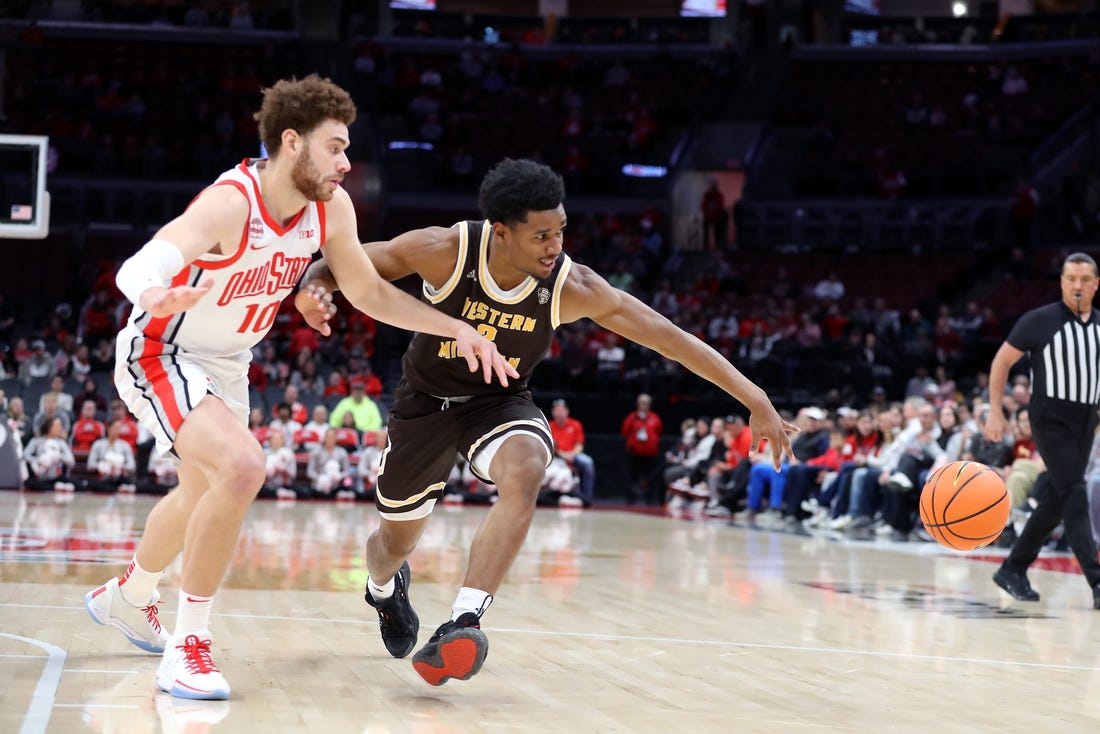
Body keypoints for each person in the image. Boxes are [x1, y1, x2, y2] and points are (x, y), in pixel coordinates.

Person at [83, 75, 516, 702]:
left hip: (228, 363)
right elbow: (146, 259)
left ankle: (130, 596)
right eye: (335, 147)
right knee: (241, 467)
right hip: (163, 351)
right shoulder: (233, 201)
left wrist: (460, 330)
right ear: (292, 143)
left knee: (202, 489)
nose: (346, 163)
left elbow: (367, 293)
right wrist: (153, 292)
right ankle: (188, 646)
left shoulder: (330, 208)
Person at [295, 157, 796, 686]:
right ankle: (383, 590)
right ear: (501, 232)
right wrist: (316, 286)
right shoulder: (445, 250)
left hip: (500, 402)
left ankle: (463, 621)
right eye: (540, 235)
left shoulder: (571, 284)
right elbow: (346, 262)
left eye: (559, 231)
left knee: (529, 465)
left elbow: (667, 335)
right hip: (426, 402)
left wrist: (754, 397)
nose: (553, 245)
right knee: (391, 545)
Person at [986, 252, 1100, 610]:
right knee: (1075, 492)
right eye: (1071, 279)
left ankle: (1013, 569)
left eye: (1085, 278)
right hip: (1050, 418)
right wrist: (994, 410)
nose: (1078, 285)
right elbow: (1001, 362)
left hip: (1086, 420)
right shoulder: (1039, 320)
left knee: (1056, 499)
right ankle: (1097, 581)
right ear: (1062, 282)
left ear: (1096, 284)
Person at [547, 398, 595, 504]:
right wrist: (561, 454)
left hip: (573, 454)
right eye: (557, 411)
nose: (559, 413)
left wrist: (572, 454)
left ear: (567, 411)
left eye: (562, 410)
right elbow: (550, 447)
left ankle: (587, 497)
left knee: (588, 462)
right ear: (553, 413)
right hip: (556, 457)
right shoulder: (549, 426)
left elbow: (579, 445)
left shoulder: (575, 424)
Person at [620, 392, 663, 505]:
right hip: (634, 452)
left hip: (650, 453)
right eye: (641, 403)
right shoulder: (632, 417)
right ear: (638, 404)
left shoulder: (654, 418)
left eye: (646, 403)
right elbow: (624, 431)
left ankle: (650, 500)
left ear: (649, 404)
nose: (643, 405)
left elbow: (658, 431)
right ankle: (630, 500)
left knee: (649, 477)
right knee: (632, 476)